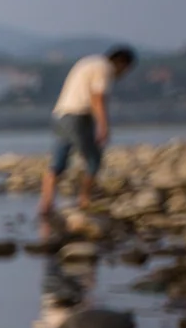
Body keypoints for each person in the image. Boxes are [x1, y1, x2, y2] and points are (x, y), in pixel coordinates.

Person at [39, 45, 136, 219]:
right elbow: (97, 97)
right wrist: (103, 125)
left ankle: (46, 206)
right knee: (94, 159)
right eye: (126, 70)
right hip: (78, 117)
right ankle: (84, 200)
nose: (123, 75)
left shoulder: (90, 62)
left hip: (61, 114)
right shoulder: (104, 68)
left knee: (58, 163)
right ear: (121, 63)